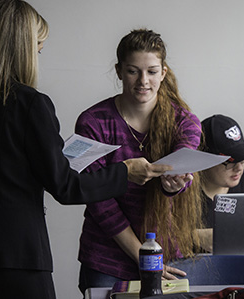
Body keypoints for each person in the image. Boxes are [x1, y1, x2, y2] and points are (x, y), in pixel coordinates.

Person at [0, 0, 169, 299]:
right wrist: (124, 171)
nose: (39, 56)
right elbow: (66, 187)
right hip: (19, 259)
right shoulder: (30, 105)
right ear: (23, 49)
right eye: (37, 48)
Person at [75, 29, 203, 293]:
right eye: (133, 71)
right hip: (106, 260)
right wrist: (143, 256)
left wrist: (173, 185)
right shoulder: (93, 122)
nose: (143, 81)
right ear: (119, 71)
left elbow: (183, 167)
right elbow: (99, 201)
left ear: (163, 73)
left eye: (152, 71)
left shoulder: (186, 122)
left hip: (167, 257)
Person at [197, 114, 244, 252]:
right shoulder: (181, 187)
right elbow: (159, 236)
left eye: (242, 159)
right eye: (230, 162)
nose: (239, 168)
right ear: (204, 159)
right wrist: (195, 237)